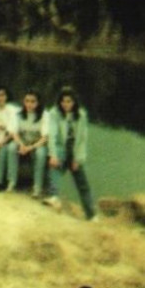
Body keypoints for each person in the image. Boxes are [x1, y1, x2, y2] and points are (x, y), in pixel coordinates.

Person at [46, 86, 95, 220]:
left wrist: (78, 159)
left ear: (74, 102)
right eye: (63, 101)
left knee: (82, 183)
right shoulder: (54, 113)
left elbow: (83, 139)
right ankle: (54, 196)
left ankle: (91, 214)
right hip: (61, 149)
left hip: (74, 151)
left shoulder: (81, 115)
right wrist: (53, 155)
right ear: (59, 102)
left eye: (69, 101)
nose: (66, 104)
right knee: (54, 167)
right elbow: (52, 136)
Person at [16, 90, 49, 199]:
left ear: (38, 103)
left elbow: (45, 137)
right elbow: (14, 133)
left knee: (40, 154)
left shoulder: (44, 115)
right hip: (23, 143)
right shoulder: (19, 114)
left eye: (33, 101)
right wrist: (21, 145)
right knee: (11, 148)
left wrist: (31, 147)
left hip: (38, 144)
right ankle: (10, 182)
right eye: (27, 101)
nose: (29, 104)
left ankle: (37, 188)